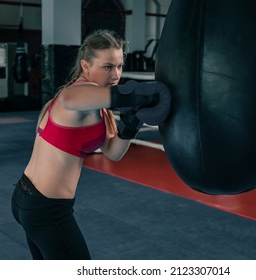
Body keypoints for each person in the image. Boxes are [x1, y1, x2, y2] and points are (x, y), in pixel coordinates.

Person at [11, 29, 171, 260]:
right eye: (107, 67)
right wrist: (139, 96)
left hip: (29, 200)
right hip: (47, 209)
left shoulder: (100, 107)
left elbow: (113, 152)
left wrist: (130, 123)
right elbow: (70, 99)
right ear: (86, 66)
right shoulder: (75, 93)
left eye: (119, 66)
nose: (115, 75)